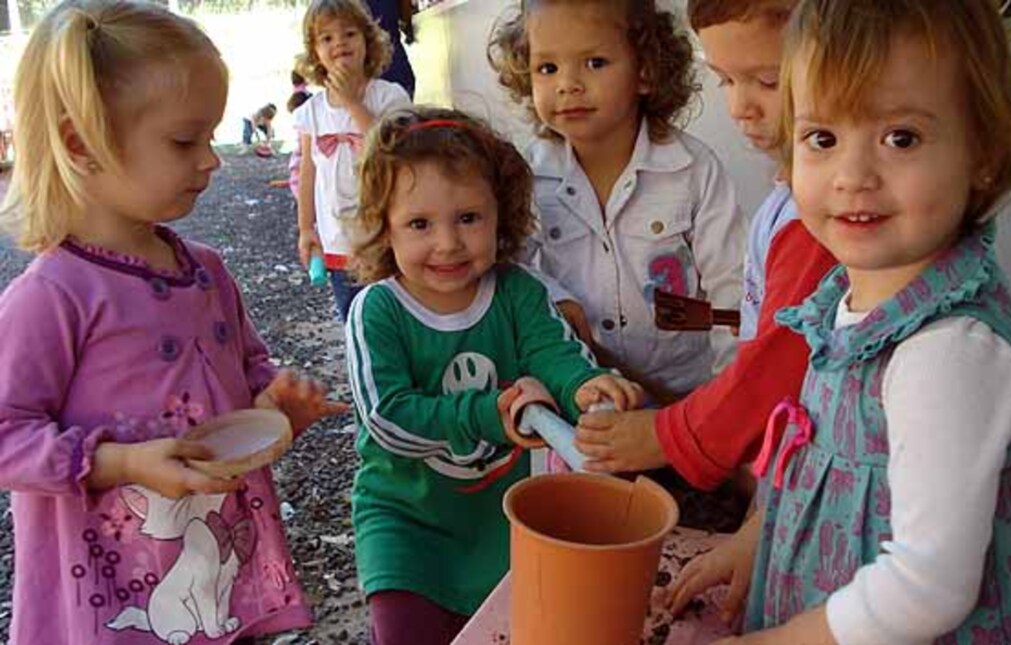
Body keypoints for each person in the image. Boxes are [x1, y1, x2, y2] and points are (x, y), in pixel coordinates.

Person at [666, 1, 1011, 643]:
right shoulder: (841, 301)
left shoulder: (946, 352)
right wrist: (755, 540)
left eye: (901, 138)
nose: (853, 176)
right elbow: (813, 448)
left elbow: (927, 586)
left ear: (984, 157)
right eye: (823, 139)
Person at [0, 2, 347, 644]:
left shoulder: (207, 271)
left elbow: (247, 370)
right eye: (185, 141)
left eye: (211, 135)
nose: (211, 159)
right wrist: (123, 462)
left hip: (218, 559)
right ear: (82, 143)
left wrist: (277, 404)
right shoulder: (52, 296)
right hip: (115, 587)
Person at [344, 106, 643, 645]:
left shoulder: (518, 292)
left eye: (468, 218)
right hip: (405, 523)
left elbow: (555, 353)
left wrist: (584, 386)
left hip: (496, 520)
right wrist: (489, 411)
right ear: (383, 227)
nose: (448, 242)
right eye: (419, 223)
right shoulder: (377, 310)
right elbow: (389, 419)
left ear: (499, 215)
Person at [572, 0, 837, 493]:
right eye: (726, 80)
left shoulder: (822, 221)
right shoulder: (789, 197)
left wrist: (666, 436)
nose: (739, 107)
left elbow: (772, 365)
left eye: (768, 81)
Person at [489, 0, 746, 404]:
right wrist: (555, 297)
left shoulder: (692, 170)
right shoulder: (526, 177)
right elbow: (508, 273)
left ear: (645, 70)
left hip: (690, 396)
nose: (567, 84)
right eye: (547, 68)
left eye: (594, 62)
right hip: (587, 392)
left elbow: (733, 293)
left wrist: (726, 407)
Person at [294, 0, 411, 322]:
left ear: (368, 40)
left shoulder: (389, 96)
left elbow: (394, 152)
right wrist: (306, 228)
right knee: (356, 319)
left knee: (398, 316)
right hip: (338, 242)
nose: (339, 43)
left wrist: (352, 104)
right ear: (314, 51)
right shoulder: (311, 112)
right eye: (326, 38)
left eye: (349, 33)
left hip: (388, 238)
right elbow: (308, 174)